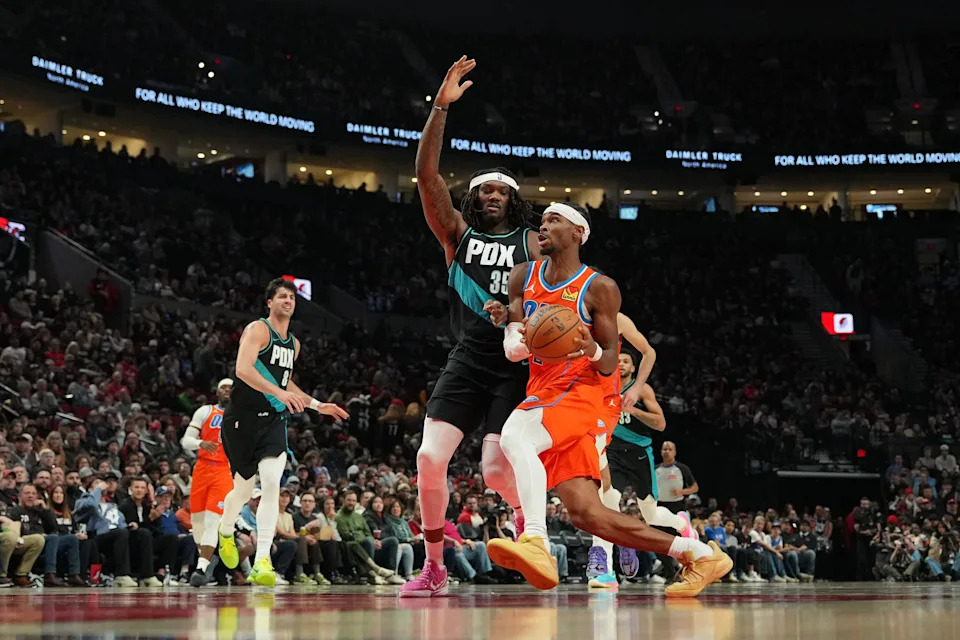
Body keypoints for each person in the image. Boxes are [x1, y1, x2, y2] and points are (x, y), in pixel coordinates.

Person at [487, 202, 730, 598]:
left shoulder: (599, 288)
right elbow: (513, 349)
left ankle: (535, 541)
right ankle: (699, 554)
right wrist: (518, 335)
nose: (543, 226)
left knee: (515, 435)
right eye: (542, 220)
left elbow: (609, 365)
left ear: (578, 233)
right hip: (545, 392)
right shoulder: (521, 276)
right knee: (588, 514)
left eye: (554, 220)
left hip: (586, 394)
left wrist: (589, 349)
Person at [402, 56, 542, 598]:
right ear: (473, 197)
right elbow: (426, 176)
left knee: (496, 473)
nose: (491, 194)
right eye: (483, 188)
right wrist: (439, 107)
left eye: (500, 190)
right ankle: (434, 567)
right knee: (428, 457)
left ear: (512, 200)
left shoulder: (532, 244)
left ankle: (533, 532)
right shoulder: (455, 235)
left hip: (515, 361)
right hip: (468, 354)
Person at [216, 278, 349, 587]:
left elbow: (285, 384)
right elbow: (243, 370)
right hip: (241, 420)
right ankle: (225, 529)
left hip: (273, 421)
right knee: (243, 491)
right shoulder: (257, 330)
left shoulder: (294, 344)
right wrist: (279, 392)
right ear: (270, 303)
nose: (288, 301)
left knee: (273, 483)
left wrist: (317, 405)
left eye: (292, 296)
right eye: (282, 296)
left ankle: (262, 560)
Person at [588, 346, 697, 588]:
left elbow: (660, 424)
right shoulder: (604, 387)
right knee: (606, 505)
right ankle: (604, 571)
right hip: (612, 453)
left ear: (634, 367)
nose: (621, 364)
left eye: (626, 360)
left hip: (639, 455)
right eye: (618, 360)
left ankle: (681, 524)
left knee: (650, 513)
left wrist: (633, 410)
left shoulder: (642, 389)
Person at [180, 378, 234, 587]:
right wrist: (200, 443)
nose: (228, 391)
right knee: (198, 523)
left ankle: (201, 568)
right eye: (224, 388)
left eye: (231, 388)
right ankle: (208, 556)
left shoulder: (242, 415)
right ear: (217, 392)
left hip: (224, 471)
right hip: (202, 468)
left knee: (213, 521)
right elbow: (186, 441)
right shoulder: (205, 411)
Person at [656, 442, 699, 514]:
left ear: (674, 452)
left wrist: (681, 492)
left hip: (677, 506)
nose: (667, 451)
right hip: (659, 505)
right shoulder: (655, 469)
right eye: (665, 449)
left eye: (670, 449)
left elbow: (695, 488)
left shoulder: (682, 468)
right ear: (661, 452)